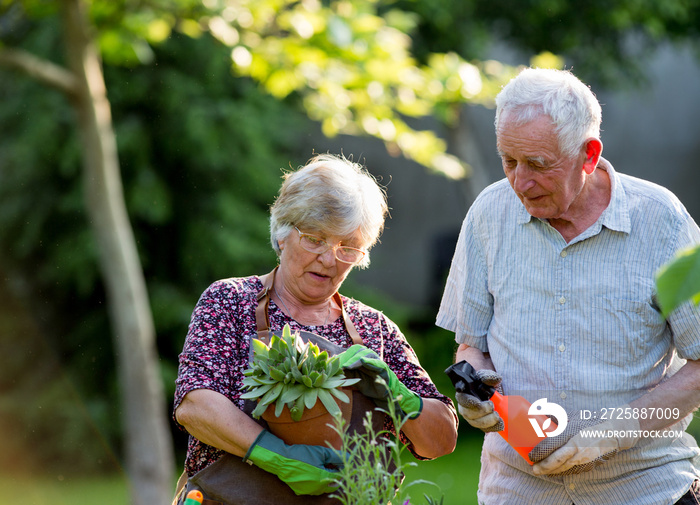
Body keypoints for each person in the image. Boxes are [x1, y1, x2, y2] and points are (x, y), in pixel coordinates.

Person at [437, 68, 700, 504]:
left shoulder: (662, 221)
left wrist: (620, 430)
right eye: (509, 161)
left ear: (589, 155)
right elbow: (471, 345)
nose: (520, 182)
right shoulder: (488, 214)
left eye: (538, 164)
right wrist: (476, 392)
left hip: (642, 488)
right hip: (518, 489)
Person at [173, 153, 458, 504]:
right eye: (315, 238)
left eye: (348, 247)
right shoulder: (231, 302)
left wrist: (400, 396)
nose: (329, 259)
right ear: (282, 234)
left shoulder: (373, 328)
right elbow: (195, 405)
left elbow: (440, 440)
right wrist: (276, 456)